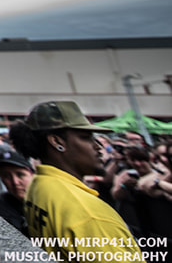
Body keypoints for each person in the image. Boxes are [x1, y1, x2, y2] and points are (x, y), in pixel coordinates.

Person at [10, 100, 141, 260]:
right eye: (86, 137)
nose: (98, 147)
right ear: (57, 142)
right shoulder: (90, 214)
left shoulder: (39, 184)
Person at [0, 149, 35, 235]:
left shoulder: (47, 202)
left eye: (20, 175)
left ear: (33, 175)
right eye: (6, 176)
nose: (15, 182)